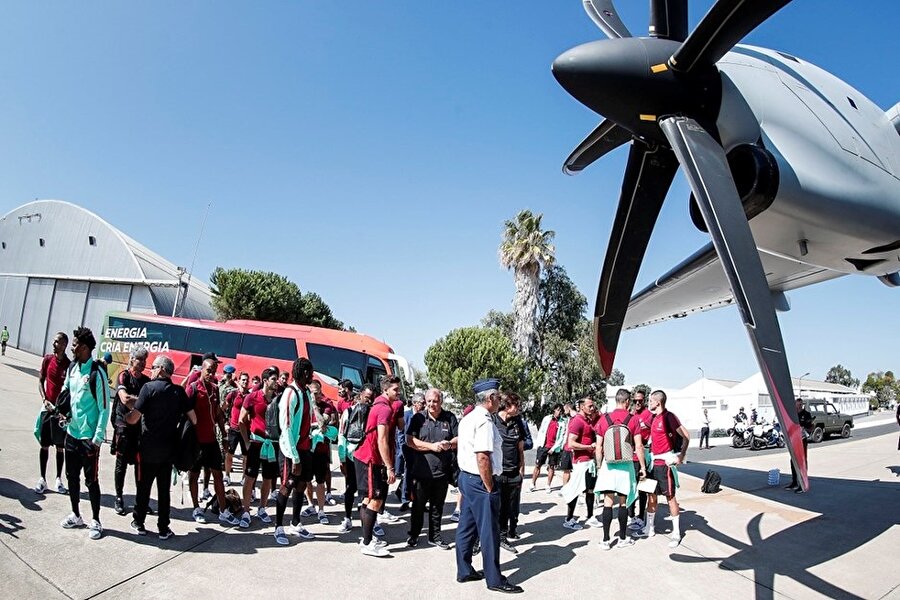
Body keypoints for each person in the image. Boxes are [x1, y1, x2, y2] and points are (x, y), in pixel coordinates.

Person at [455, 378, 522, 594]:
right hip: (480, 481)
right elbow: (483, 456)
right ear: (491, 398)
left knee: (466, 527)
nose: (499, 399)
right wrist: (490, 486)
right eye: (497, 396)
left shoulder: (468, 418)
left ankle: (464, 570)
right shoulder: (484, 420)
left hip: (467, 478)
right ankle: (494, 579)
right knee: (489, 531)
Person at [124, 355, 194, 539]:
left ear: (162, 369)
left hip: (147, 450)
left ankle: (139, 522)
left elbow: (134, 417)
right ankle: (163, 528)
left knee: (143, 488)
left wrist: (125, 417)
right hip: (168, 451)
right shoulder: (179, 392)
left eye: (154, 367)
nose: (151, 370)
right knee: (164, 492)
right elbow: (193, 419)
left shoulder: (148, 388)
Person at [59, 327, 110, 540]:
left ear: (85, 347)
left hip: (89, 438)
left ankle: (96, 520)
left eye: (75, 344)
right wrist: (64, 414)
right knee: (71, 476)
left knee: (91, 481)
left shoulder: (97, 373)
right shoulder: (73, 368)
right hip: (71, 433)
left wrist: (97, 439)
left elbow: (104, 407)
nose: (72, 347)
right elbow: (66, 393)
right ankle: (76, 514)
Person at [352, 375, 402, 557]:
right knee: (376, 500)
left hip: (366, 458)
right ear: (385, 390)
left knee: (368, 500)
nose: (398, 393)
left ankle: (367, 537)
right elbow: (382, 440)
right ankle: (367, 543)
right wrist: (389, 467)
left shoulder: (381, 405)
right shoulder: (384, 410)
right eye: (395, 390)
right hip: (371, 460)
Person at [186, 358, 239, 526]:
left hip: (211, 441)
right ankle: (196, 508)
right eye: (208, 370)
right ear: (202, 369)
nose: (211, 374)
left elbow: (217, 414)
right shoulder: (193, 388)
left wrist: (224, 434)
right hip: (196, 442)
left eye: (214, 370)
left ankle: (223, 511)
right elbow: (184, 409)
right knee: (194, 475)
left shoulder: (215, 389)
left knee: (218, 474)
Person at [634, 390, 690, 548]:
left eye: (651, 400)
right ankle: (649, 528)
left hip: (665, 465)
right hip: (653, 463)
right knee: (651, 497)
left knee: (670, 498)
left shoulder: (669, 417)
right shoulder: (653, 418)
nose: (648, 403)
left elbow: (686, 436)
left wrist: (680, 456)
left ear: (657, 402)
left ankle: (676, 533)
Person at [405, 388, 458, 549]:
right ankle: (414, 534)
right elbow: (409, 440)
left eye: (435, 401)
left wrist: (448, 444)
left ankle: (435, 536)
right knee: (418, 506)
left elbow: (459, 438)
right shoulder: (418, 418)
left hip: (442, 472)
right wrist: (431, 447)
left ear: (440, 401)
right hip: (421, 472)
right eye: (428, 401)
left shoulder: (449, 417)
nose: (431, 404)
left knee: (437, 507)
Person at [594, 388, 646, 550]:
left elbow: (598, 447)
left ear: (616, 400)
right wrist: (643, 467)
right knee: (623, 502)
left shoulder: (604, 419)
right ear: (627, 401)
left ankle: (605, 540)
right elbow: (638, 446)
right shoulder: (633, 419)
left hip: (609, 465)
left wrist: (598, 465)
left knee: (608, 503)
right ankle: (623, 538)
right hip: (626, 465)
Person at [274, 358, 316, 545]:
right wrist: (295, 458)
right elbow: (287, 427)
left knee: (301, 485)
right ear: (305, 373)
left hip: (305, 448)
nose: (313, 376)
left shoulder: (306, 392)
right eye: (311, 373)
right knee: (287, 486)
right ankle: (278, 527)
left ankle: (295, 523)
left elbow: (306, 420)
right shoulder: (290, 394)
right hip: (291, 451)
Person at [237, 367, 280, 527]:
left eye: (276, 379)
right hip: (256, 444)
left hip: (272, 445)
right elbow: (242, 420)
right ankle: (246, 511)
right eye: (274, 379)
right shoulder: (252, 397)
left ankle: (262, 508)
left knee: (268, 479)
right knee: (250, 478)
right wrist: (247, 441)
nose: (276, 382)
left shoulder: (278, 399)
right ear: (265, 380)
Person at [112, 348, 151, 516]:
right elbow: (125, 400)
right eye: (139, 360)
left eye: (144, 361)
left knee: (140, 467)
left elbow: (150, 403)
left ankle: (140, 501)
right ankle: (119, 497)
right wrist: (141, 400)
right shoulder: (124, 376)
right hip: (123, 427)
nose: (142, 364)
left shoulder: (146, 381)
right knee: (121, 465)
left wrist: (139, 401)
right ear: (132, 359)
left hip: (139, 430)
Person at [337, 383, 376, 534]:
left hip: (367, 459)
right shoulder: (348, 412)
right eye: (367, 398)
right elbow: (342, 436)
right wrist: (342, 458)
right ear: (360, 396)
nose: (369, 401)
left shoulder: (373, 413)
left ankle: (369, 523)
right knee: (350, 488)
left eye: (372, 398)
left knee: (367, 492)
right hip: (351, 456)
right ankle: (347, 518)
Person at [35, 332, 71, 495]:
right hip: (47, 409)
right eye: (54, 341)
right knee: (44, 445)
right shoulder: (48, 359)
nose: (54, 343)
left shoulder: (69, 365)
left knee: (60, 447)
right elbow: (40, 381)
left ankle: (58, 479)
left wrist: (64, 410)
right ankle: (42, 479)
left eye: (57, 341)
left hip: (60, 413)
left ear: (64, 345)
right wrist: (44, 400)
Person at [300, 379, 336, 523]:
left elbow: (323, 424)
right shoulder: (303, 406)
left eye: (319, 392)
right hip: (307, 449)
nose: (318, 395)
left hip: (321, 450)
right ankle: (310, 505)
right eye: (315, 393)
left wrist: (314, 406)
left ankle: (321, 510)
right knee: (307, 480)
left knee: (320, 480)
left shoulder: (326, 406)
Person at [494, 392, 526, 553]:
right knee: (493, 508)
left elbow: (520, 449)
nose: (519, 409)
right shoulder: (492, 421)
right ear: (507, 406)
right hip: (497, 473)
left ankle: (502, 537)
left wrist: (521, 471)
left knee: (508, 508)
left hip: (513, 473)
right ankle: (482, 540)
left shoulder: (517, 422)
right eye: (517, 406)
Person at [560, 397, 598, 530]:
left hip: (589, 461)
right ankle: (569, 519)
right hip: (580, 462)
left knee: (590, 490)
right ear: (582, 407)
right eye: (590, 406)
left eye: (593, 406)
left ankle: (590, 516)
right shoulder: (577, 421)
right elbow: (571, 443)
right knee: (575, 490)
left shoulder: (588, 420)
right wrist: (588, 447)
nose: (592, 408)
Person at [629, 390, 653, 531]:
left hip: (644, 455)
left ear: (644, 401)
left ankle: (641, 516)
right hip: (631, 456)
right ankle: (631, 514)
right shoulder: (631, 415)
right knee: (631, 486)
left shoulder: (648, 415)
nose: (637, 403)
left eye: (640, 401)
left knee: (643, 488)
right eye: (635, 401)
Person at [223, 371, 250, 486]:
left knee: (246, 456)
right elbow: (224, 408)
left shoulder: (250, 396)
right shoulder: (233, 394)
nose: (245, 382)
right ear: (239, 381)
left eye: (246, 380)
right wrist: (225, 422)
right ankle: (227, 475)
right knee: (229, 454)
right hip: (233, 428)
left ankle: (244, 477)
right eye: (243, 379)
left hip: (245, 430)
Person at [531, 403, 563, 492]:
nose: (559, 412)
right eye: (557, 410)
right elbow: (541, 430)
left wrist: (553, 448)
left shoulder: (562, 422)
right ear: (554, 410)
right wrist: (538, 443)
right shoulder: (547, 418)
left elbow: (561, 437)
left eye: (560, 411)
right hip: (543, 445)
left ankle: (548, 485)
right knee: (538, 465)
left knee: (551, 466)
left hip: (554, 448)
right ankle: (533, 483)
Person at [786, 397, 813, 493]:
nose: (798, 407)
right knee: (793, 460)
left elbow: (811, 428)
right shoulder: (793, 415)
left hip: (802, 440)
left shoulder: (806, 414)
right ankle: (794, 482)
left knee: (802, 461)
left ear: (802, 405)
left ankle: (803, 483)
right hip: (794, 440)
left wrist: (804, 428)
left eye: (800, 405)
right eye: (797, 405)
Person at [558, 402, 575, 490]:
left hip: (573, 449)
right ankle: (565, 488)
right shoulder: (569, 419)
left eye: (565, 410)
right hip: (566, 448)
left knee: (574, 470)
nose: (564, 412)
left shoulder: (576, 418)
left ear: (568, 408)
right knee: (566, 469)